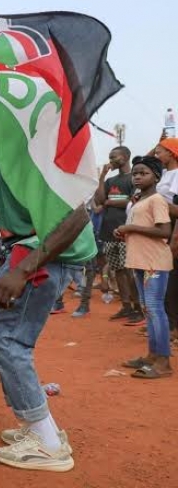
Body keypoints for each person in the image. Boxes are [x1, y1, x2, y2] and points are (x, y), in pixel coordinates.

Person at [0, 151, 96, 471]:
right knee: (0, 334)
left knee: (7, 339)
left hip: (41, 252)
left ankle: (46, 442)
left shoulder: (31, 134)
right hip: (39, 249)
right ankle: (39, 428)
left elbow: (79, 213)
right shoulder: (16, 132)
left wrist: (23, 270)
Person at [117, 156, 173, 378]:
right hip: (141, 260)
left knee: (154, 309)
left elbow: (164, 231)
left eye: (144, 173)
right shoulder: (139, 201)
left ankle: (164, 362)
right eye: (135, 173)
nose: (138, 176)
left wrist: (130, 227)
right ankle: (152, 356)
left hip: (154, 262)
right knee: (148, 309)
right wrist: (126, 231)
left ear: (156, 177)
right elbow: (144, 229)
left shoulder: (157, 200)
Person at [95, 146, 142, 323]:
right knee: (118, 270)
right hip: (108, 231)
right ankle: (126, 306)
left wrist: (109, 202)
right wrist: (101, 177)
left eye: (113, 156)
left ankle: (138, 308)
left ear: (124, 157)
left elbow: (132, 202)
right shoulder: (110, 180)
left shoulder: (135, 177)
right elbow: (100, 200)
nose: (111, 160)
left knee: (129, 270)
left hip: (126, 231)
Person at [153, 138, 178, 344]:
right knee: (167, 280)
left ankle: (172, 328)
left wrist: (155, 201)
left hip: (172, 233)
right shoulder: (164, 174)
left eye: (160, 151)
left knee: (172, 281)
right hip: (164, 231)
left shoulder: (177, 174)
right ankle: (167, 325)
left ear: (171, 153)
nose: (156, 155)